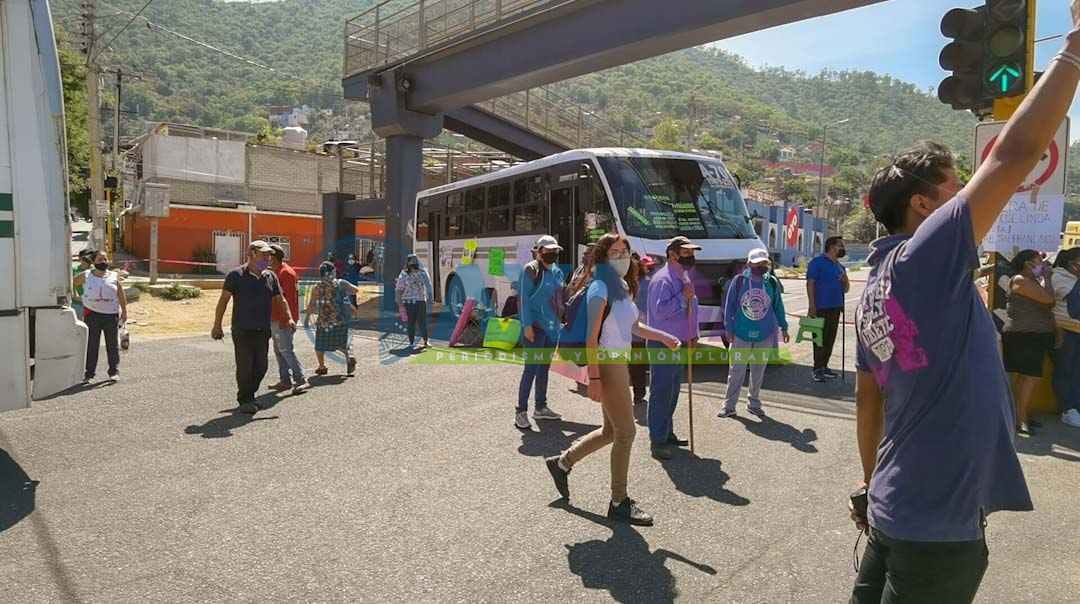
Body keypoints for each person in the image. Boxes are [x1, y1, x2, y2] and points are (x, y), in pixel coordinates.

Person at [845, 23, 1080, 595]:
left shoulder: (876, 285)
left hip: (893, 507)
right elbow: (1014, 155)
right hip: (936, 528)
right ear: (922, 205)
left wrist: (872, 489)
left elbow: (868, 399)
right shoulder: (925, 257)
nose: (967, 197)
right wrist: (1075, 48)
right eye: (956, 188)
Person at [544, 233, 679, 526]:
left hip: (619, 362)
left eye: (624, 252)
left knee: (610, 431)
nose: (621, 257)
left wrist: (664, 336)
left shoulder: (622, 286)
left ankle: (562, 463)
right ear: (603, 257)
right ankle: (619, 501)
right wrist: (593, 377)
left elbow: (635, 326)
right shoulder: (600, 287)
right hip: (607, 364)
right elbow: (591, 339)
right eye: (614, 252)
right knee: (626, 432)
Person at [212, 240, 294, 414]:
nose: (267, 258)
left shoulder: (270, 276)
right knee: (245, 367)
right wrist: (217, 325)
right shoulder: (235, 275)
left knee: (261, 366)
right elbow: (223, 301)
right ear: (251, 254)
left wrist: (289, 318)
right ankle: (245, 399)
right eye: (263, 254)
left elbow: (280, 299)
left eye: (269, 255)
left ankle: (249, 395)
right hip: (242, 329)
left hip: (262, 329)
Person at [645, 236, 700, 461]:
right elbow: (660, 312)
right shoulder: (663, 279)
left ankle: (666, 432)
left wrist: (694, 334)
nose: (690, 256)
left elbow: (692, 306)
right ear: (672, 254)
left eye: (692, 253)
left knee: (673, 390)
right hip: (662, 343)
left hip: (680, 342)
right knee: (661, 391)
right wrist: (682, 297)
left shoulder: (683, 276)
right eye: (686, 252)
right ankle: (657, 440)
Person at [720, 248, 790, 418]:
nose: (761, 266)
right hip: (741, 333)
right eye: (757, 263)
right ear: (749, 263)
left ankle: (754, 403)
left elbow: (778, 306)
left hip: (764, 334)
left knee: (758, 371)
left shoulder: (771, 282)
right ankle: (729, 406)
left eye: (764, 263)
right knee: (736, 371)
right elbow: (729, 307)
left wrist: (784, 327)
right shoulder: (739, 281)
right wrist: (729, 329)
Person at [1002, 250, 1056, 435]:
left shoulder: (1031, 281)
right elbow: (1049, 300)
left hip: (1032, 335)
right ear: (1028, 263)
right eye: (1040, 261)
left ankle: (1020, 414)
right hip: (1024, 335)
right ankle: (1021, 419)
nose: (1043, 265)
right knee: (1029, 377)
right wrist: (1047, 278)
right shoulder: (1020, 280)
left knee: (1026, 377)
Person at [515, 235, 566, 430]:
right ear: (539, 251)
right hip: (535, 329)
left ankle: (541, 407)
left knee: (544, 368)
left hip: (551, 329)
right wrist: (527, 325)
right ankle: (520, 411)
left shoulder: (557, 271)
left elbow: (561, 296)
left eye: (555, 250)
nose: (552, 253)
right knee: (531, 369)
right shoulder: (530, 270)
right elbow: (523, 300)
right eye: (548, 250)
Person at [74, 250, 127, 382]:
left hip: (111, 315)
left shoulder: (114, 276)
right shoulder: (86, 275)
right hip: (92, 314)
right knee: (92, 345)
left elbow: (120, 293)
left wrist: (124, 312)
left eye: (105, 259)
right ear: (93, 262)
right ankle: (89, 374)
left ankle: (113, 372)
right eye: (99, 259)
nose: (103, 262)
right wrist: (77, 297)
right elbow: (71, 283)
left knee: (112, 345)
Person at [304, 261, 361, 377]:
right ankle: (349, 357)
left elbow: (311, 305)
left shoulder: (316, 288)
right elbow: (355, 290)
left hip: (324, 322)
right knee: (341, 343)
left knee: (320, 346)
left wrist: (307, 319)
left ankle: (322, 366)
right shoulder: (341, 283)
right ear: (333, 272)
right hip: (340, 320)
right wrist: (345, 292)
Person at [267, 243, 309, 394]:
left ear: (273, 257)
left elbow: (289, 299)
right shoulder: (276, 271)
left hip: (282, 319)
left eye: (267, 256)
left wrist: (286, 319)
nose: (265, 258)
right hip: (275, 318)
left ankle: (301, 379)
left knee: (286, 350)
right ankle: (285, 380)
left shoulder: (286, 273)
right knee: (279, 350)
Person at [807, 236, 849, 382]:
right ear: (831, 247)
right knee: (819, 339)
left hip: (836, 307)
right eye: (840, 245)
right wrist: (812, 305)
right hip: (820, 307)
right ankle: (817, 369)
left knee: (830, 339)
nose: (842, 248)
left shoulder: (840, 266)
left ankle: (824, 366)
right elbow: (810, 284)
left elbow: (846, 289)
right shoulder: (816, 262)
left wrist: (845, 280)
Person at [1051, 247, 1080, 428]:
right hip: (1065, 332)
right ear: (1072, 264)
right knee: (1065, 371)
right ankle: (1067, 409)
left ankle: (1076, 406)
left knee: (1076, 372)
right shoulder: (1059, 277)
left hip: (1077, 331)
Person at [628, 253, 655, 406]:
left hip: (636, 332)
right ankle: (638, 394)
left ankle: (638, 394)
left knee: (635, 366)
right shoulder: (626, 284)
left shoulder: (645, 284)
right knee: (637, 366)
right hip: (636, 333)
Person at [395, 253, 434, 349]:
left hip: (411, 301)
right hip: (419, 300)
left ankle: (413, 342)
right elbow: (428, 286)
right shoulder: (423, 272)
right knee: (421, 322)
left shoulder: (404, 274)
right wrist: (430, 298)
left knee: (412, 322)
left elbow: (399, 289)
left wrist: (399, 302)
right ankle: (424, 341)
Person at [72, 248, 95, 319]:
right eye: (84, 259)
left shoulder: (95, 270)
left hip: (92, 303)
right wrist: (75, 297)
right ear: (80, 258)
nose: (86, 261)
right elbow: (71, 285)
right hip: (78, 303)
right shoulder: (74, 270)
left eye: (89, 259)